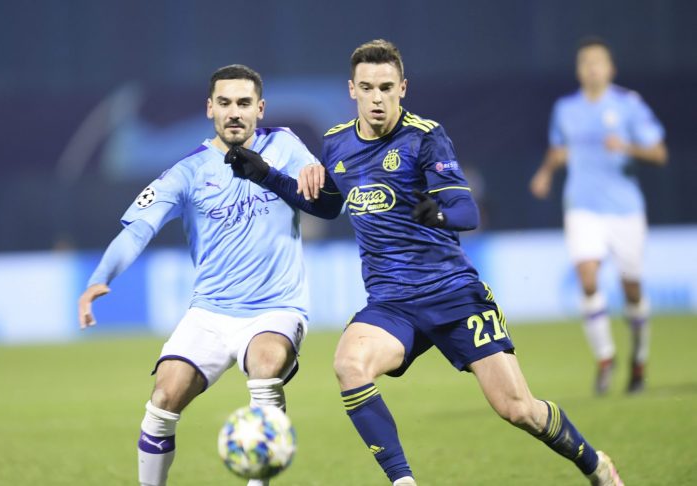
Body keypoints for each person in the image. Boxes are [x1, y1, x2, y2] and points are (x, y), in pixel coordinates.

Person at [225, 39, 624, 485]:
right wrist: (266, 175)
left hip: (452, 294)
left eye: (386, 87)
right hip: (392, 304)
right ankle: (404, 482)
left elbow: (467, 212)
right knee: (349, 365)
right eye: (367, 88)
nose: (377, 98)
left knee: (518, 409)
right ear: (352, 90)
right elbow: (327, 205)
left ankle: (595, 464)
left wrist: (439, 214)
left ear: (403, 88)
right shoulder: (337, 143)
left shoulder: (425, 137)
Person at [78, 64, 319, 486]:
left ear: (260, 108)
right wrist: (102, 276)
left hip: (276, 308)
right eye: (224, 102)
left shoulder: (284, 145)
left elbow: (318, 185)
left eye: (243, 103)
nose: (234, 112)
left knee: (266, 365)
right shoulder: (187, 172)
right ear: (210, 108)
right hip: (209, 312)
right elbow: (138, 229)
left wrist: (319, 178)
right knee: (163, 397)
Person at [530, 37, 667, 395]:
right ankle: (605, 358)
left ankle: (639, 357)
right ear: (579, 70)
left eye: (598, 62)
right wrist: (545, 172)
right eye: (585, 62)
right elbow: (560, 149)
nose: (591, 68)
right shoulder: (566, 109)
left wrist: (628, 147)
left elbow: (659, 153)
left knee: (631, 288)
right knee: (588, 277)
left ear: (610, 69)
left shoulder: (628, 104)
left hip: (625, 209)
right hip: (582, 206)